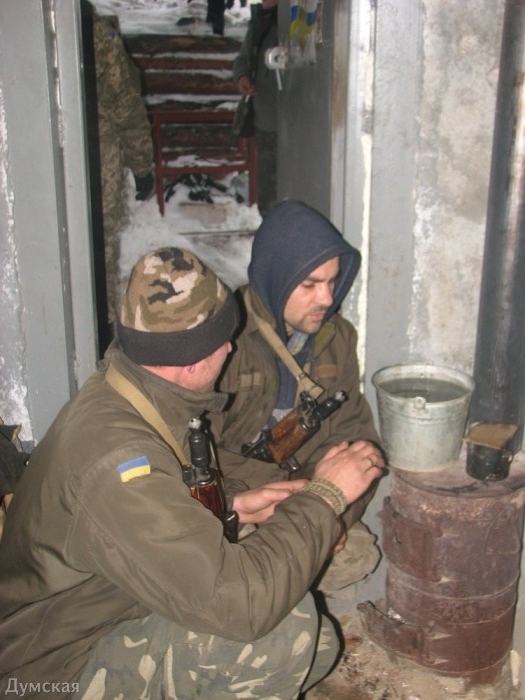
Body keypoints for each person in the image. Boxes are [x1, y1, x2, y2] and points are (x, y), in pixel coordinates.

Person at [0, 247, 384, 699]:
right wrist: (325, 496)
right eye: (224, 340)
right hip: (53, 665)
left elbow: (147, 516)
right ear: (193, 361)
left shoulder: (133, 392)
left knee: (318, 646)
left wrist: (232, 504)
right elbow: (242, 604)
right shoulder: (118, 462)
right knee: (283, 632)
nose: (231, 347)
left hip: (105, 602)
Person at [212, 200, 384, 593]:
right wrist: (271, 497)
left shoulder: (337, 338)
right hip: (239, 496)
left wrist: (334, 515)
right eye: (309, 285)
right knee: (235, 570)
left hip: (308, 495)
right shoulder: (223, 337)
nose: (326, 298)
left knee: (356, 555)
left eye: (332, 281)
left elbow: (358, 440)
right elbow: (192, 451)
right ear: (277, 277)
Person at [91, 11, 155, 326]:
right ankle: (100, 336)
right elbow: (126, 105)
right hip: (95, 172)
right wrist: (142, 164)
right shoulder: (95, 35)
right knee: (98, 262)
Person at [233, 0, 278, 217]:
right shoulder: (261, 22)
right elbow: (242, 59)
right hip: (266, 123)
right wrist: (242, 77)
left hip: (299, 127)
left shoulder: (296, 22)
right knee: (268, 199)